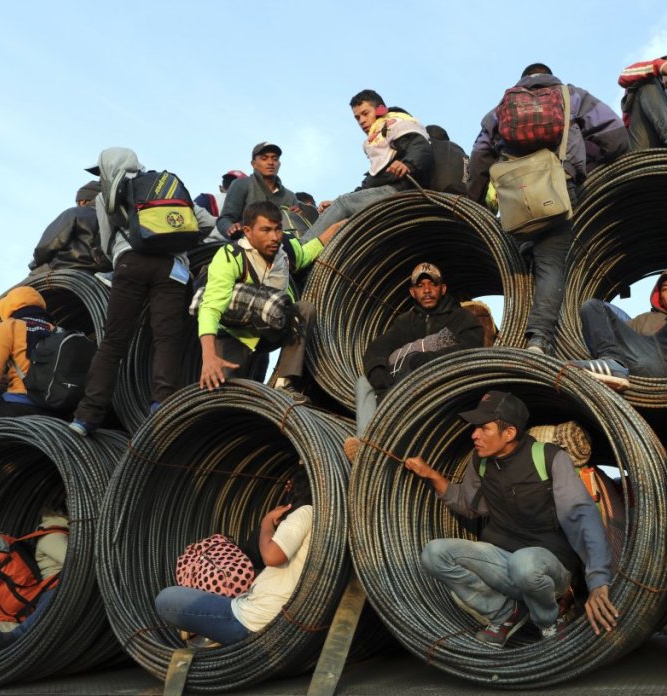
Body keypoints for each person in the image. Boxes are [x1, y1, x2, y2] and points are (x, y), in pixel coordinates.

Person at [404, 391, 618, 646]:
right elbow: (467, 504)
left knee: (524, 564)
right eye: (475, 428)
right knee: (434, 553)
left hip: (549, 569)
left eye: (484, 428)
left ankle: (549, 621)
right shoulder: (480, 462)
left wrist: (598, 583)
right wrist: (430, 474)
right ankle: (505, 613)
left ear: (509, 433)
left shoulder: (549, 458)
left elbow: (583, 519)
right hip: (504, 562)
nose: (474, 435)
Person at [468, 63, 629, 355]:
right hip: (558, 190)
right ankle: (539, 340)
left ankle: (515, 327)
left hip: (516, 198)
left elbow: (480, 156)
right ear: (548, 75)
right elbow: (616, 137)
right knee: (552, 264)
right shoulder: (572, 96)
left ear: (522, 81)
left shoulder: (501, 107)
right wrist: (587, 167)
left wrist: (475, 202)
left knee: (517, 260)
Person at [68, 148, 214, 436]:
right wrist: (177, 241)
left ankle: (87, 417)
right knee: (167, 339)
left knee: (113, 343)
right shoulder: (168, 187)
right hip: (172, 268)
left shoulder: (104, 197)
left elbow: (108, 241)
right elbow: (207, 222)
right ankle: (161, 405)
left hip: (131, 265)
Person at [155, 465, 312, 646]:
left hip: (249, 621)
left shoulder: (304, 513)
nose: (287, 488)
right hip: (264, 615)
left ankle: (212, 632)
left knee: (166, 599)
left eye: (291, 486)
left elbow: (271, 556)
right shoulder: (322, 525)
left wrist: (267, 523)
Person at [196, 201, 341, 395]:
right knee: (223, 394)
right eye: (265, 230)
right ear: (248, 231)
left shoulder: (285, 254)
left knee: (304, 309)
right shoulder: (231, 256)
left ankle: (284, 382)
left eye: (277, 230)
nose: (274, 237)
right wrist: (209, 357)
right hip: (236, 334)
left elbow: (306, 253)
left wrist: (337, 227)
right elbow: (211, 307)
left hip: (271, 328)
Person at [344, 263, 483, 455]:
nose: (426, 290)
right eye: (420, 286)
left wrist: (429, 360)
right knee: (364, 382)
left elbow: (471, 348)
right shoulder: (406, 322)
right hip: (404, 379)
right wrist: (377, 371)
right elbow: (379, 346)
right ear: (412, 292)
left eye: (432, 284)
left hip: (443, 383)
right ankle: (366, 445)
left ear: (442, 288)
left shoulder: (461, 318)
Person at [304, 90, 434, 240]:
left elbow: (420, 147)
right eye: (357, 117)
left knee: (343, 204)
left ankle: (296, 252)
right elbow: (370, 184)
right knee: (341, 204)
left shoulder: (395, 124)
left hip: (402, 190)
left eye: (365, 114)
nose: (361, 121)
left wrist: (407, 164)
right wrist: (334, 204)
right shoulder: (378, 139)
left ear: (380, 110)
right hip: (388, 191)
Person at [572, 270, 667, 390]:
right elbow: (616, 335)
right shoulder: (643, 319)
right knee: (591, 306)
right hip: (643, 358)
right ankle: (613, 364)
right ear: (659, 296)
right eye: (665, 289)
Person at [0, 495, 68, 651]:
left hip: (62, 584)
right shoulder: (52, 535)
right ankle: (15, 636)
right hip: (58, 586)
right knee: (57, 599)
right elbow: (76, 561)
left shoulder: (59, 532)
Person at [0, 287, 58, 422]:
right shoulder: (57, 330)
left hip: (19, 405)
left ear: (8, 306)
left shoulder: (10, 326)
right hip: (55, 412)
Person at [216, 143, 297, 239]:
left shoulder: (290, 196)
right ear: (253, 164)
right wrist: (230, 228)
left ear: (279, 164)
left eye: (275, 159)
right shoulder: (242, 184)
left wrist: (297, 217)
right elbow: (225, 219)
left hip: (281, 249)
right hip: (246, 246)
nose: (270, 162)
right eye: (264, 158)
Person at [28, 181, 109, 275]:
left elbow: (47, 245)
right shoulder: (114, 222)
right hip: (99, 277)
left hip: (63, 269)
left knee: (19, 289)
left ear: (83, 201)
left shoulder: (75, 213)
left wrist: (35, 262)